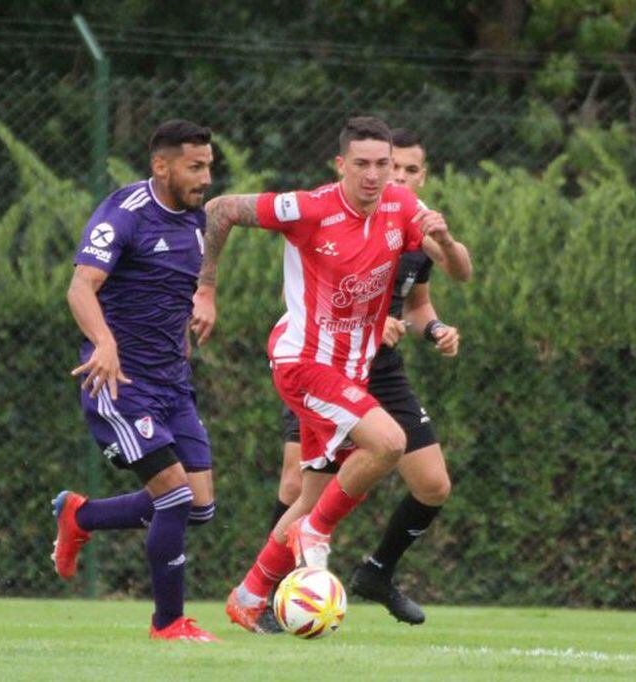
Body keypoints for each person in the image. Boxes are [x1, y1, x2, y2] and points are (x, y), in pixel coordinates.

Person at [190, 117, 472, 634]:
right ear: (340, 165)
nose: (373, 175)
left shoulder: (403, 207)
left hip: (354, 372)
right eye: (361, 164)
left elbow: (460, 271)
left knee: (310, 494)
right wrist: (205, 290)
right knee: (388, 442)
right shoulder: (310, 207)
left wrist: (446, 240)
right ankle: (315, 535)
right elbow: (219, 209)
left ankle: (249, 594)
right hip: (304, 363)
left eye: (382, 165)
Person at [51, 119, 220, 643]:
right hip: (121, 383)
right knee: (172, 498)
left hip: (173, 385)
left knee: (201, 505)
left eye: (210, 166)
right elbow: (81, 287)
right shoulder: (124, 213)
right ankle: (168, 624)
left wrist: (197, 308)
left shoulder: (195, 222)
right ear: (161, 166)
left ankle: (80, 515)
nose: (206, 177)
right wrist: (104, 342)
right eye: (195, 167)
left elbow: (173, 287)